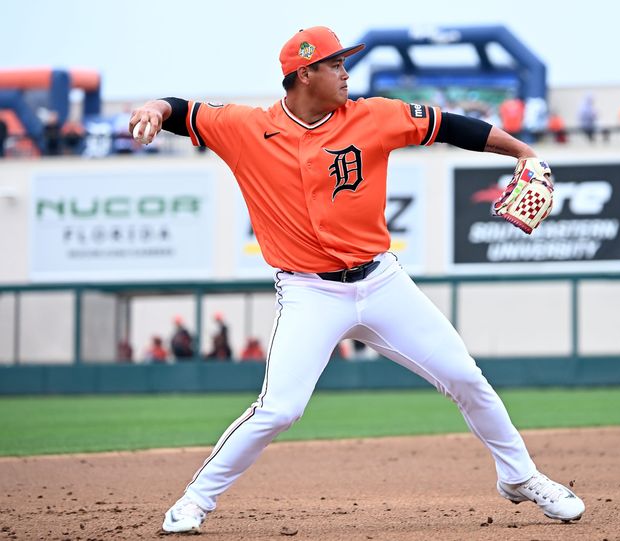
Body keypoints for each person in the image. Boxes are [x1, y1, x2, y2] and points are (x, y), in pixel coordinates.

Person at [129, 26, 585, 534]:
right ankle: (195, 500)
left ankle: (520, 475)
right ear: (305, 74)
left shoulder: (375, 116)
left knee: (465, 378)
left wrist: (523, 152)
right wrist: (154, 107)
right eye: (335, 65)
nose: (347, 73)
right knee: (279, 409)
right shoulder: (245, 127)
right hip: (310, 291)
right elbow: (182, 110)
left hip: (381, 281)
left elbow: (453, 127)